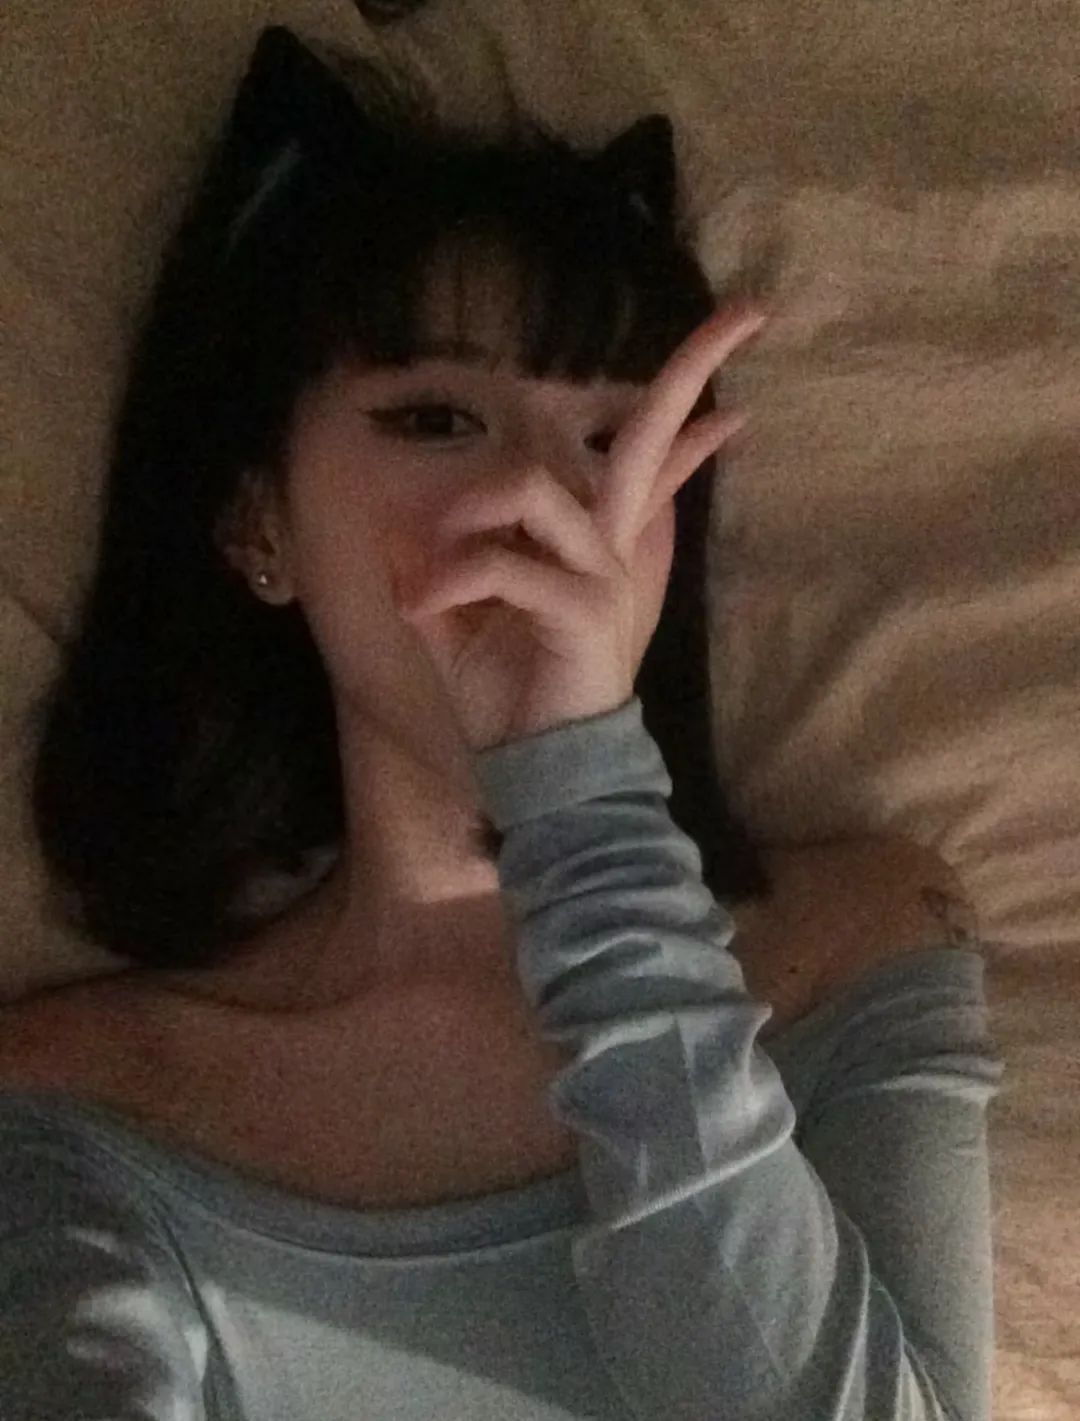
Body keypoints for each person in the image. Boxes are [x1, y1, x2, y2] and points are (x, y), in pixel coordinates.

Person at [1, 25, 1005, 1421]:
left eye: (612, 440)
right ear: (256, 523)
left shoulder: (861, 943)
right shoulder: (86, 1101)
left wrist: (583, 801)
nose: (545, 507)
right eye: (434, 420)